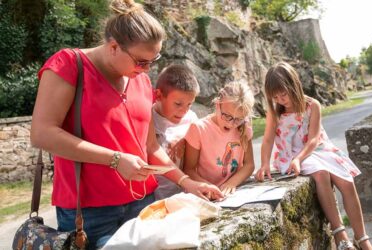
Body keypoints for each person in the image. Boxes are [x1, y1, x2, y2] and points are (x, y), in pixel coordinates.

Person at [30, 1, 222, 249]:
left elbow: (150, 147)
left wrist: (187, 182)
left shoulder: (140, 79)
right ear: (113, 47)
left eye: (154, 60)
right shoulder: (70, 64)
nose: (147, 69)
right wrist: (115, 159)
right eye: (142, 61)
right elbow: (42, 134)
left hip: (144, 203)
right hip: (89, 213)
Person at [254, 62, 372, 250]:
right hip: (290, 155)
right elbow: (268, 140)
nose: (280, 100)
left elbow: (314, 140)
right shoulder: (275, 113)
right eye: (275, 97)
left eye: (283, 94)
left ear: (293, 85)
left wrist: (299, 159)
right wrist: (265, 164)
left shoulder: (312, 105)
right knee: (321, 174)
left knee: (347, 182)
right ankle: (340, 234)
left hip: (315, 149)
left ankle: (362, 238)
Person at [183, 81, 255, 196]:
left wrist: (231, 183)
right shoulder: (198, 129)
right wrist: (209, 187)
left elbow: (249, 165)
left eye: (238, 119)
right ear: (217, 104)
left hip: (233, 191)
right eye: (227, 116)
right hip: (206, 192)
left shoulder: (244, 127)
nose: (232, 124)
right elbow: (189, 170)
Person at [152, 64, 199, 200]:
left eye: (189, 104)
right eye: (178, 104)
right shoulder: (149, 119)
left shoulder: (191, 118)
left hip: (186, 195)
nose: (184, 110)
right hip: (156, 198)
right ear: (159, 95)